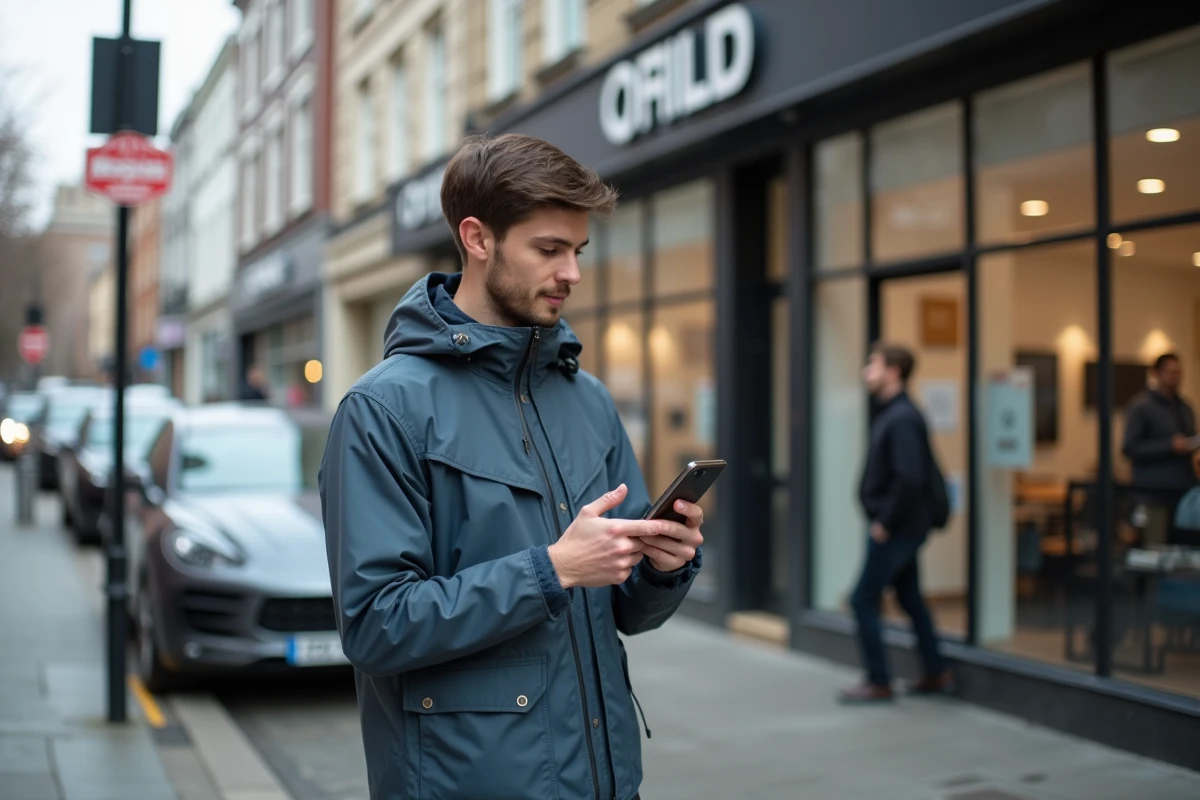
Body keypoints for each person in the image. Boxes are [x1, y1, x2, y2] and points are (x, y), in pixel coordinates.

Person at [318, 133, 704, 800]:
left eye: (578, 251)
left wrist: (663, 568)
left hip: (608, 782)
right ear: (478, 239)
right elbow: (376, 626)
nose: (572, 273)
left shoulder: (587, 399)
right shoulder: (382, 409)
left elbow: (627, 612)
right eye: (549, 249)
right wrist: (551, 570)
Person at [839, 342, 952, 704]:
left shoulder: (901, 417)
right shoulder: (895, 412)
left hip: (897, 528)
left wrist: (884, 523)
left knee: (862, 599)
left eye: (872, 365)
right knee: (909, 597)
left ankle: (879, 681)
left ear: (893, 372)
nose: (865, 372)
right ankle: (935, 672)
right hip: (904, 526)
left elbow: (909, 477)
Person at [1123, 353, 1198, 544]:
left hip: (1181, 494)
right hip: (1152, 495)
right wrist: (1168, 446)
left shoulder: (1185, 407)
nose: (1175, 377)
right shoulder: (1141, 407)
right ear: (1156, 374)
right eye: (1170, 372)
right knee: (1153, 551)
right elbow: (1130, 447)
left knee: (1183, 555)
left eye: (1178, 372)